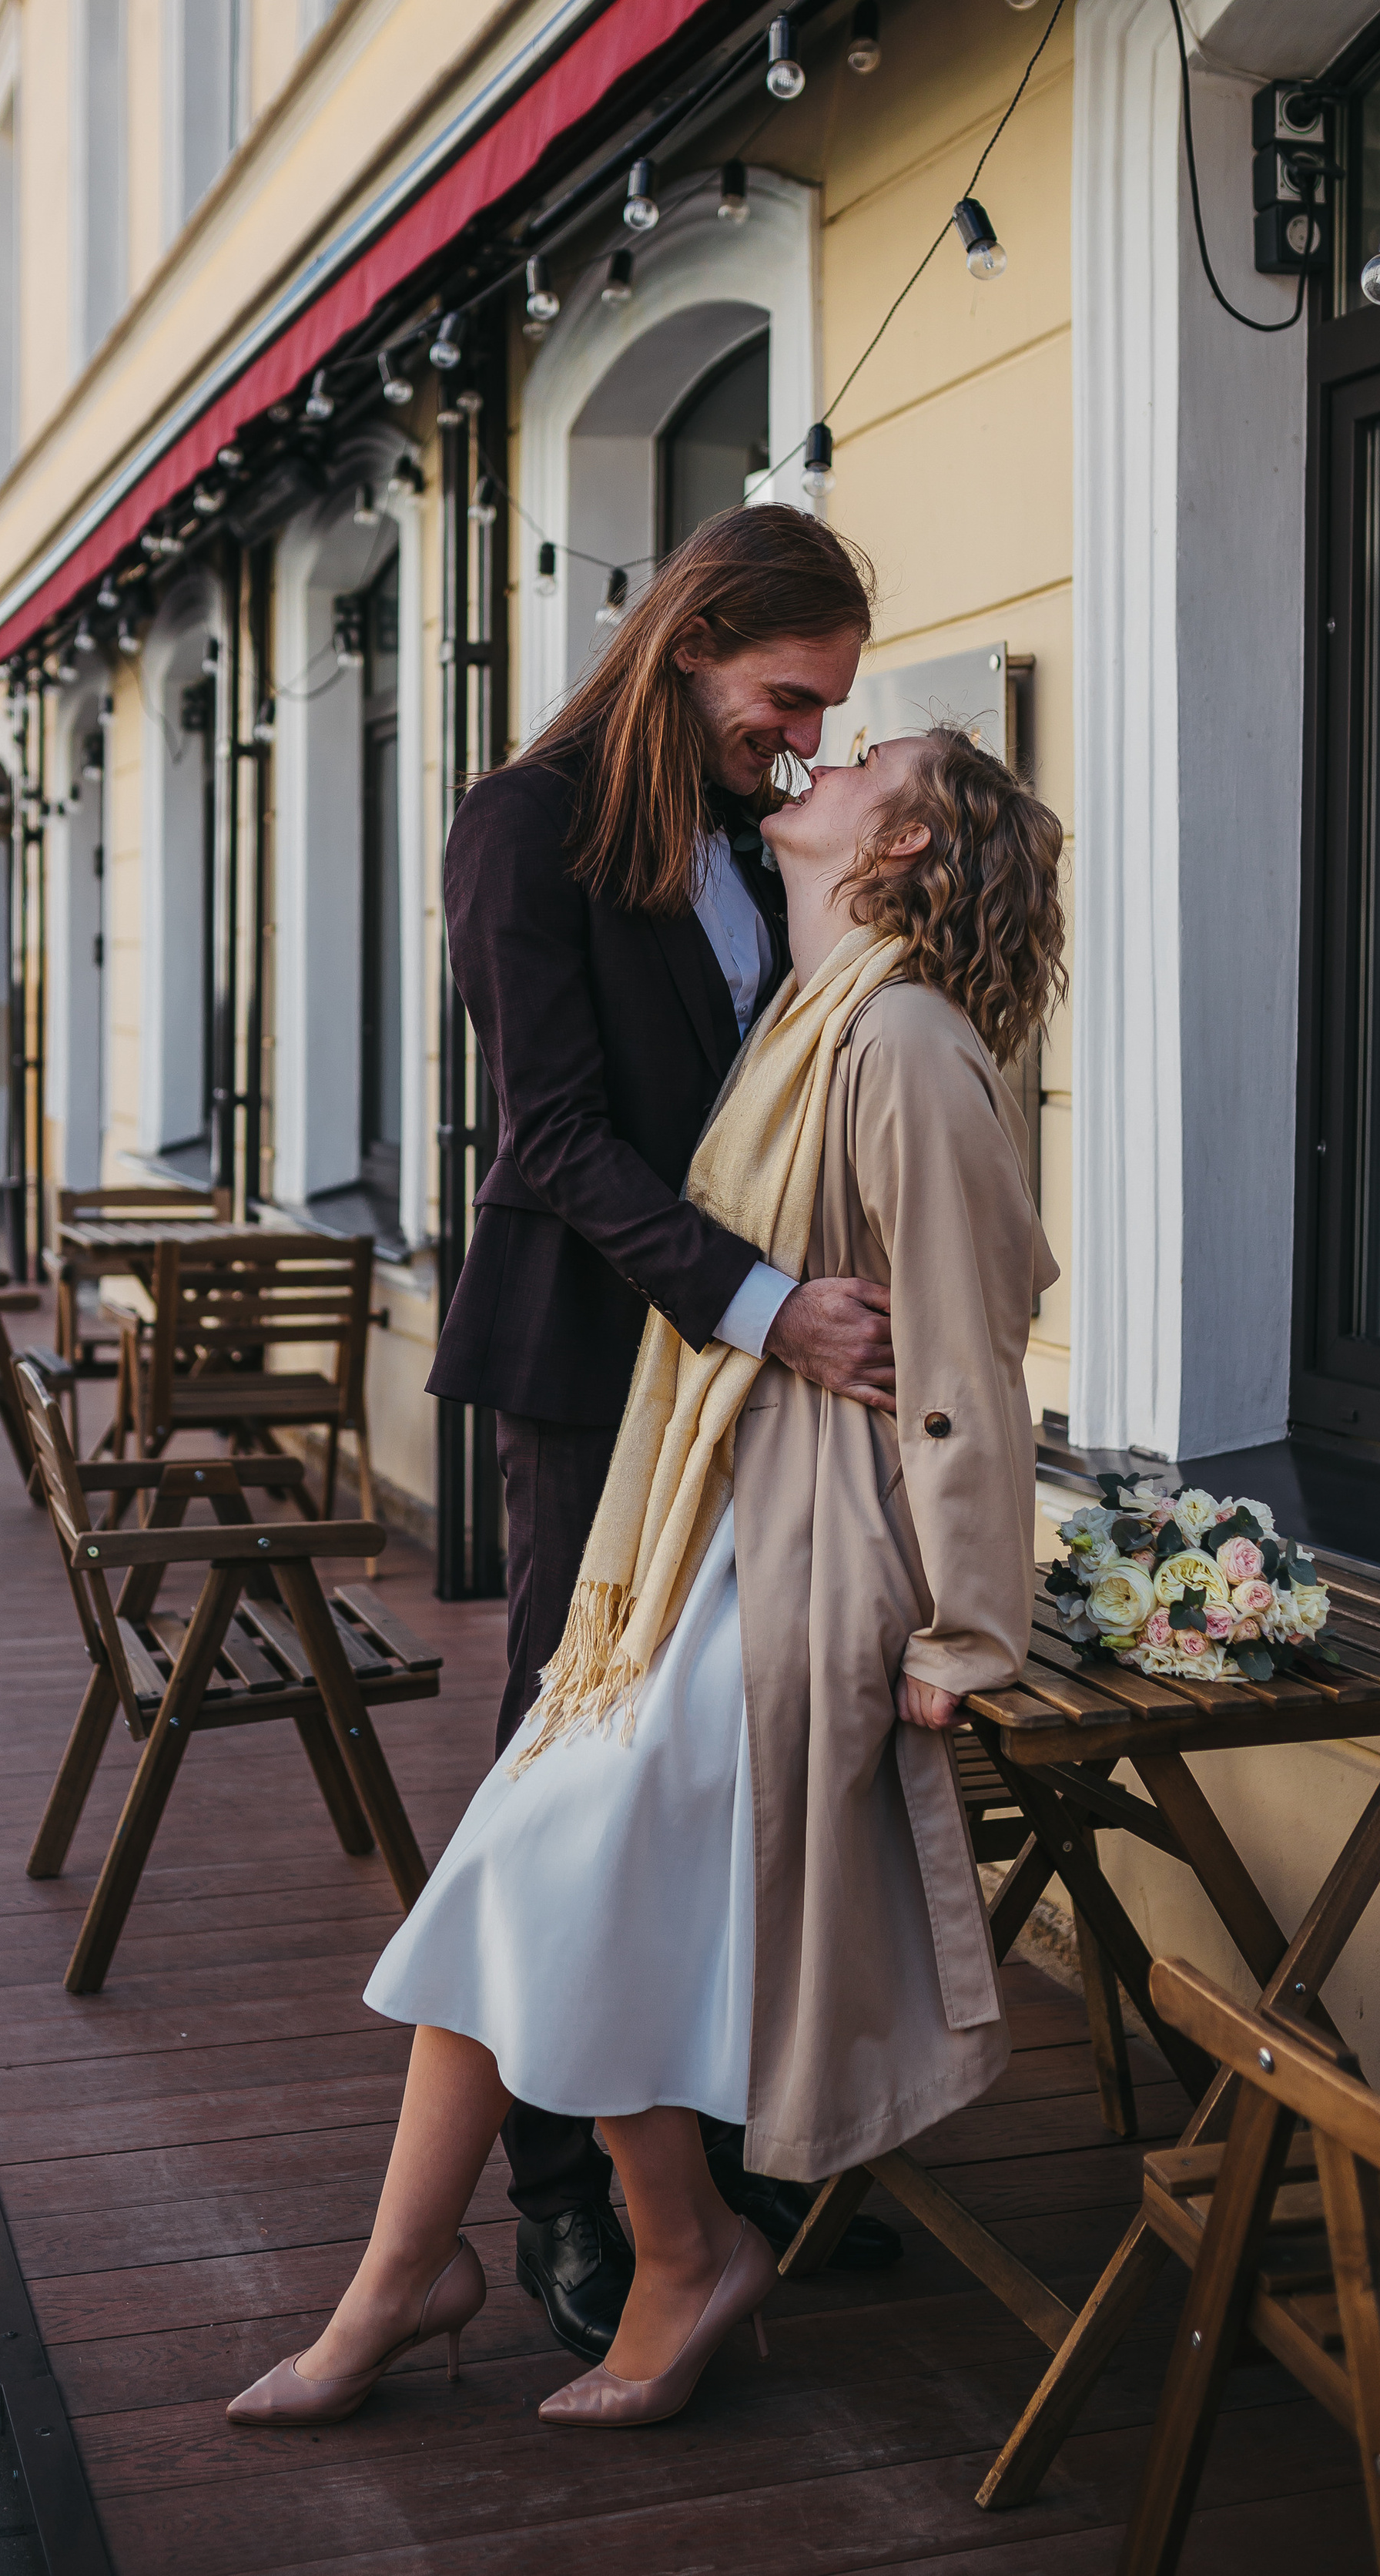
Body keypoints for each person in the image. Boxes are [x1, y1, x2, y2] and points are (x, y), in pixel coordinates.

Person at [228, 722, 1064, 2432]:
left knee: (540, 1872)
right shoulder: (799, 1018)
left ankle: (625, 2257)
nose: (812, 763)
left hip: (794, 1547)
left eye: (859, 762)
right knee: (516, 1879)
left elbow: (969, 1347)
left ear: (896, 854)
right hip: (690, 1526)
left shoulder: (897, 1037)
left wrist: (970, 1629)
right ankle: (437, 2273)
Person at [424, 502, 899, 2358]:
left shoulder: (736, 831)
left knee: (709, 1774)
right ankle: (564, 2202)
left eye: (822, 717)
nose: (801, 740)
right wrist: (770, 1307)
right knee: (568, 1771)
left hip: (741, 1377)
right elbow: (548, 1137)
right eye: (786, 698)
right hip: (590, 1367)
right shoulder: (517, 825)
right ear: (692, 636)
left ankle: (712, 2173)